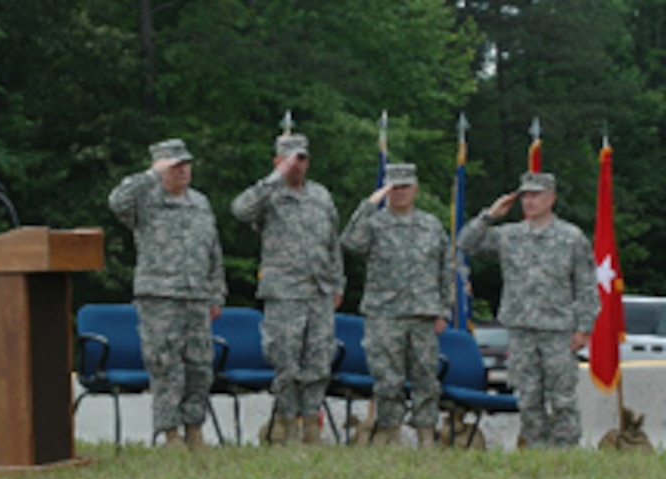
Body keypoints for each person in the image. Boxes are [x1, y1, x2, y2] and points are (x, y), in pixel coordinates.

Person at [458, 171, 598, 448]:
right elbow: (466, 242)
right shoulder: (510, 235)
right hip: (521, 329)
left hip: (558, 330)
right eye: (526, 196)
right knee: (528, 397)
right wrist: (490, 215)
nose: (530, 201)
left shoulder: (571, 237)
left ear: (551, 199)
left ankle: (566, 453)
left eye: (536, 195)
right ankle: (536, 450)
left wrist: (584, 327)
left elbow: (586, 286)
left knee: (562, 399)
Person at [107, 138, 227, 450]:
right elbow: (116, 201)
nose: (183, 171)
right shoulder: (144, 200)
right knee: (165, 365)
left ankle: (194, 429)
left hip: (197, 297)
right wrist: (150, 175)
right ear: (160, 168)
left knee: (199, 366)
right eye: (175, 166)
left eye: (186, 164)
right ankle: (170, 433)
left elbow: (213, 251)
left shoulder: (200, 203)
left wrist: (217, 294)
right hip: (160, 297)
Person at [231, 133, 343, 445]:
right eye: (291, 159)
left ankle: (310, 426)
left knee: (319, 362)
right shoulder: (269, 194)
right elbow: (240, 210)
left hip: (319, 292)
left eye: (302, 158)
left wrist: (337, 284)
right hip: (284, 293)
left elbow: (332, 243)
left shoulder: (320, 195)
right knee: (286, 362)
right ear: (278, 161)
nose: (297, 165)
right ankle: (287, 425)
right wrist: (274, 178)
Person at [340, 163, 453, 448]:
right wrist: (369, 205)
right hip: (384, 314)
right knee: (387, 380)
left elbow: (445, 270)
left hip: (424, 314)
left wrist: (444, 310)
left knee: (426, 378)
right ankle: (390, 434)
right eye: (394, 187)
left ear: (415, 189)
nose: (400, 193)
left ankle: (427, 435)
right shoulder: (375, 224)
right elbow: (350, 242)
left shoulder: (431, 225)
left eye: (405, 187)